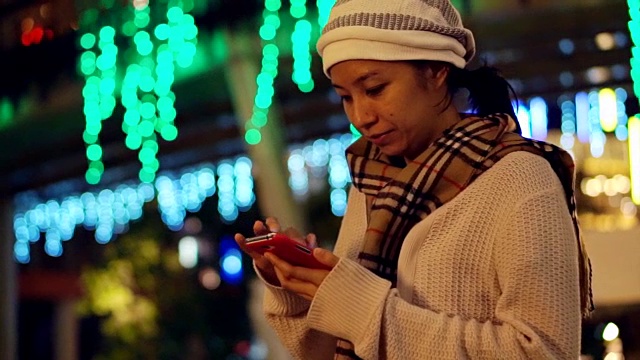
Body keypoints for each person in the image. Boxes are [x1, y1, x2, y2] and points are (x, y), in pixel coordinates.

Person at [235, 0, 594, 358]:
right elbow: (327, 350)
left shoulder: (520, 178)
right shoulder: (373, 180)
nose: (361, 116)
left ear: (436, 71)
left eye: (374, 89)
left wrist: (365, 309)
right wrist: (299, 286)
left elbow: (545, 352)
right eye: (346, 97)